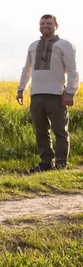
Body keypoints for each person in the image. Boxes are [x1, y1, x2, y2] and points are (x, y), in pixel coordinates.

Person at [17, 14, 79, 173]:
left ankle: (61, 164)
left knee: (60, 132)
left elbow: (72, 71)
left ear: (56, 26)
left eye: (49, 23)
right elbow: (27, 69)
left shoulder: (65, 45)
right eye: (42, 23)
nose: (45, 26)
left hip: (57, 95)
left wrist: (71, 92)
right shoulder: (33, 45)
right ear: (39, 26)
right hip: (36, 94)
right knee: (41, 131)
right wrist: (21, 89)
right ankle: (46, 162)